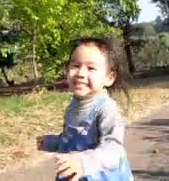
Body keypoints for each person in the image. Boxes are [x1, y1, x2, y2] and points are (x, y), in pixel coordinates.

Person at [37, 38, 134, 181]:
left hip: (102, 175)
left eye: (91, 68)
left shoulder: (107, 109)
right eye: (75, 65)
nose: (80, 73)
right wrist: (50, 142)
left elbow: (114, 150)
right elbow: (69, 140)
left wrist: (83, 162)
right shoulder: (73, 106)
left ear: (109, 77)